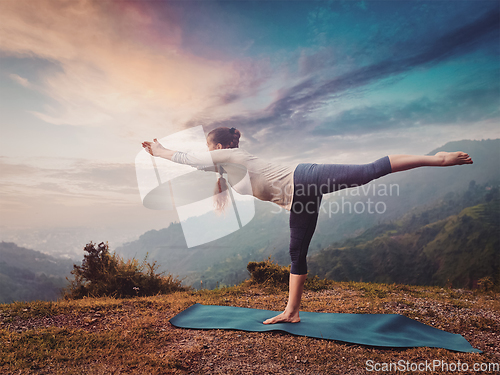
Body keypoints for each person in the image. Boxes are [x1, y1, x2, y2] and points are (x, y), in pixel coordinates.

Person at [142, 127, 473, 324]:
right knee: (296, 251)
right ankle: (292, 312)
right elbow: (199, 168)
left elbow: (189, 159)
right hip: (300, 199)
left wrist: (160, 151)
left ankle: (437, 158)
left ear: (218, 147)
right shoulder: (226, 169)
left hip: (305, 176)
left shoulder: (234, 158)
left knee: (368, 171)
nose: (208, 154)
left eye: (209, 149)